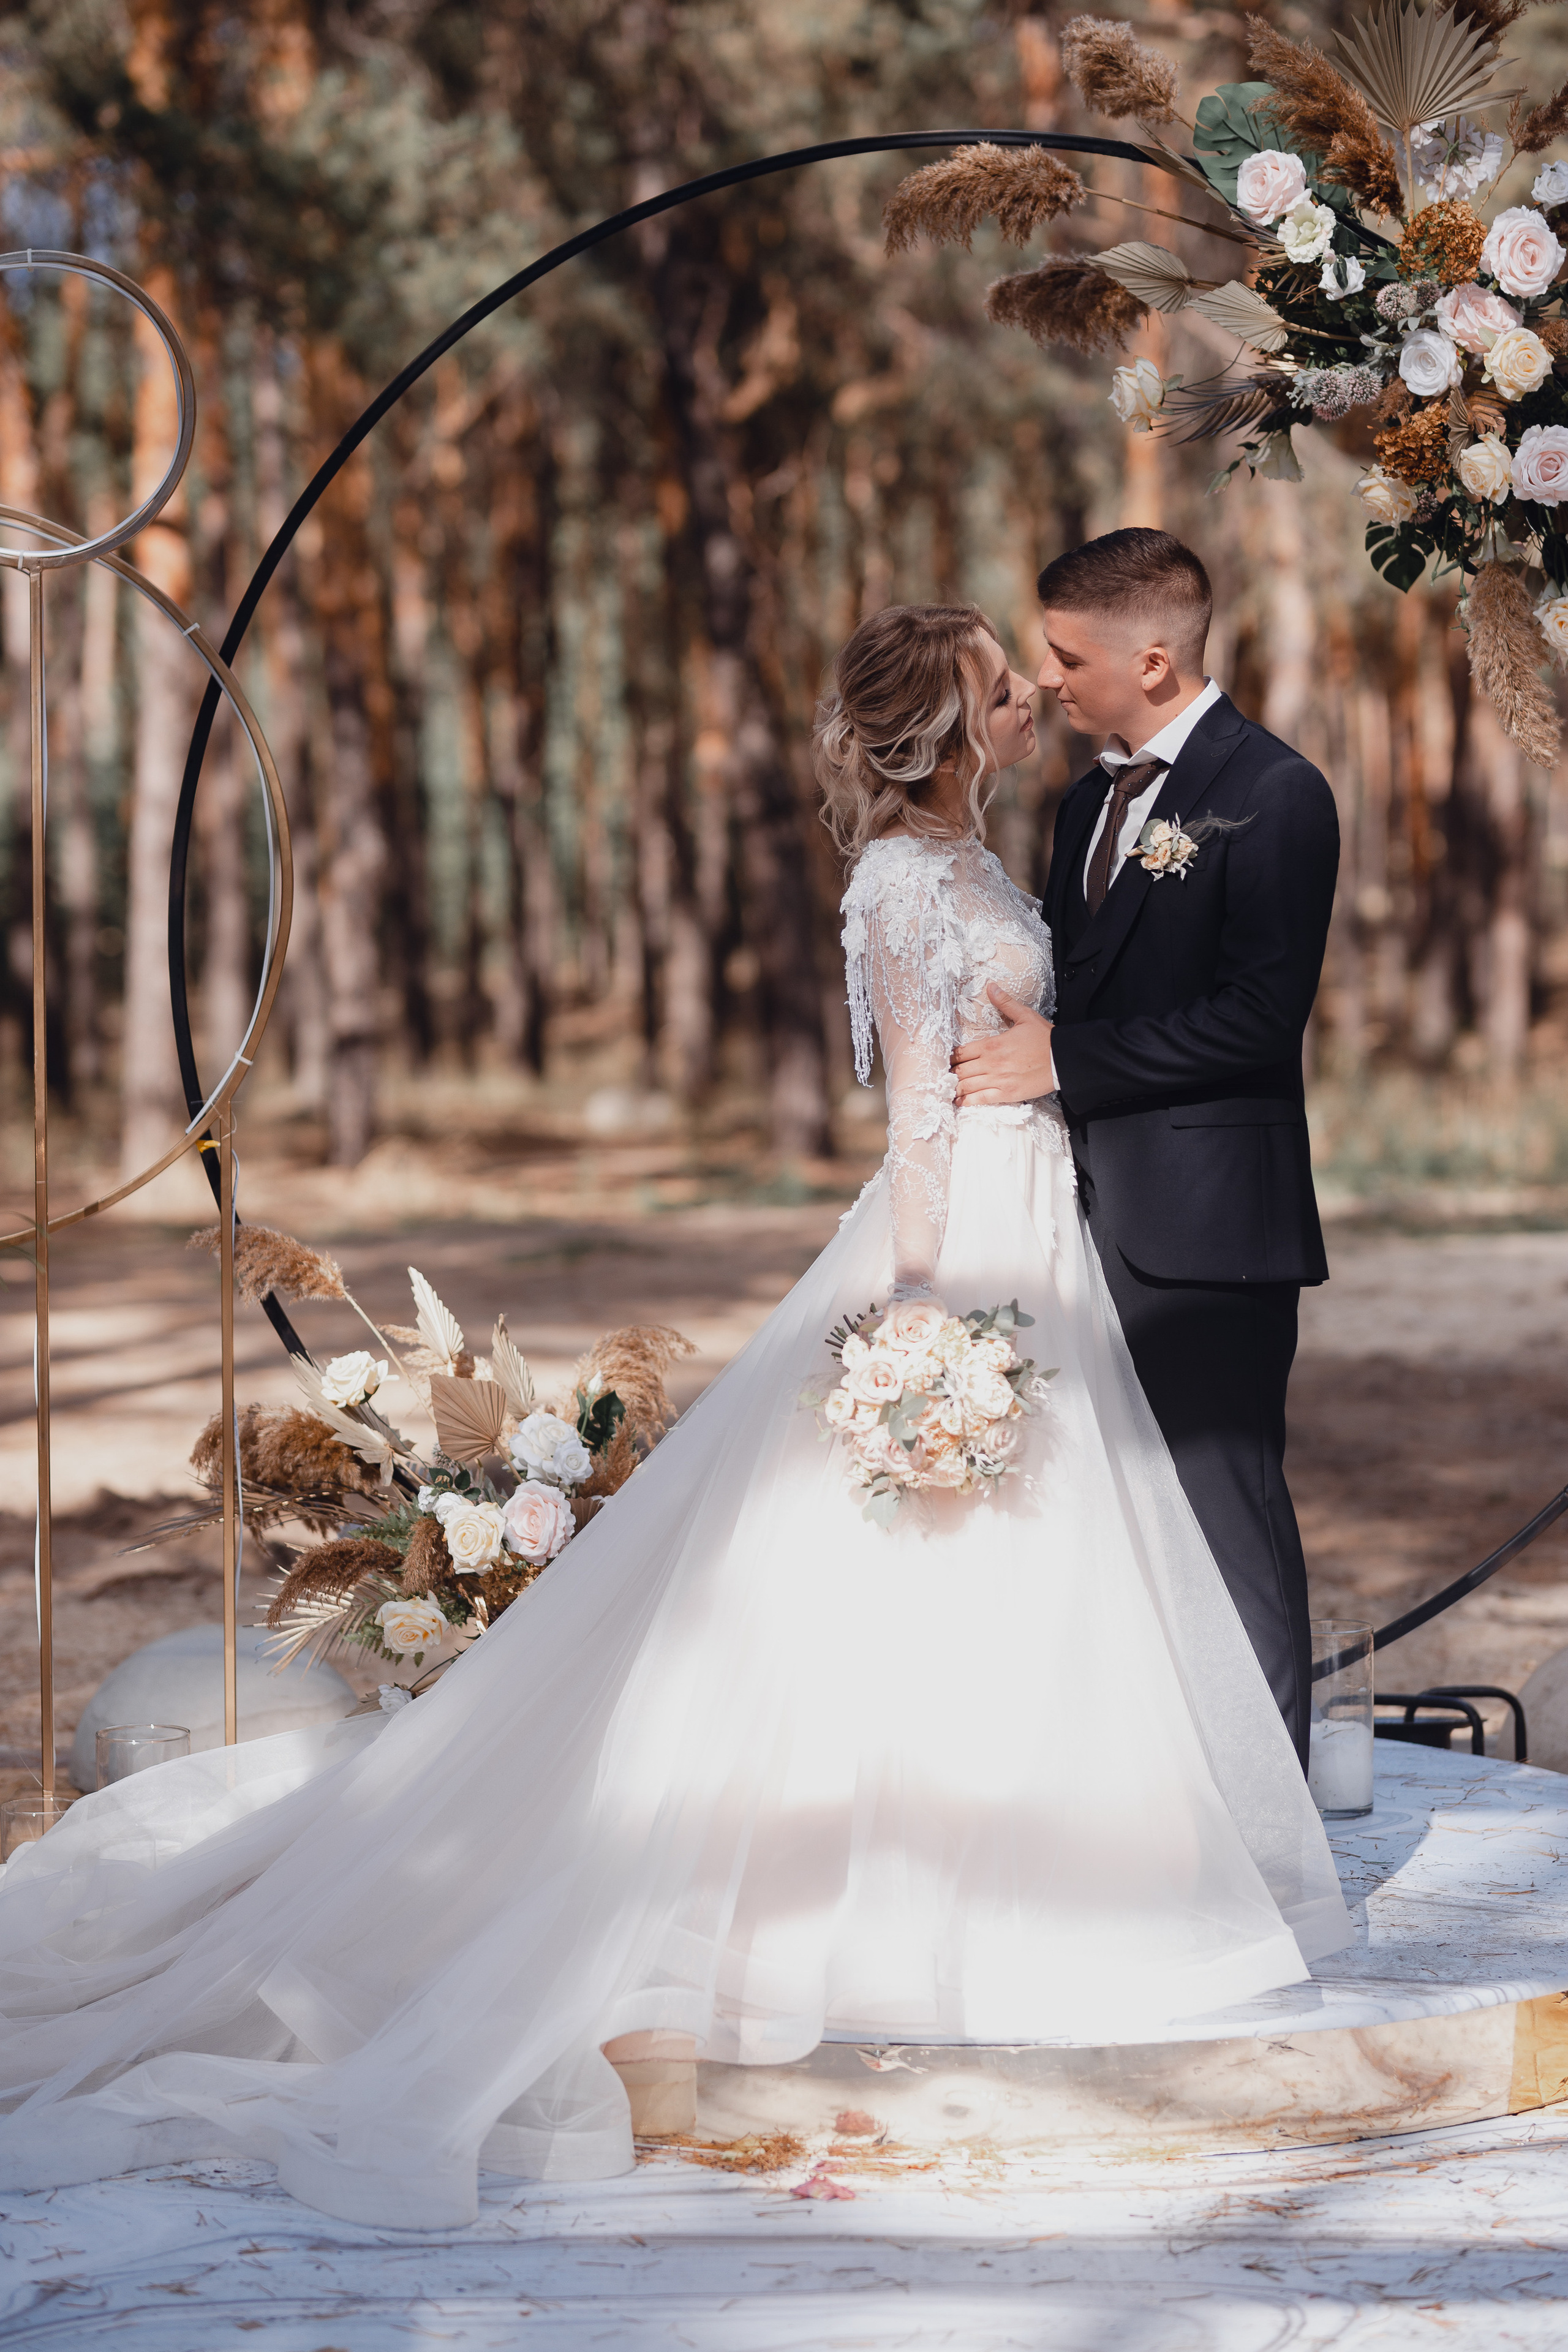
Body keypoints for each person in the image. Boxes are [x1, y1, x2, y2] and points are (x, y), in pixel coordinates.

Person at [0, 601, 1349, 2231]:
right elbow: (917, 1116)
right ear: (941, 728)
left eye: (1027, 680)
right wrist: (924, 1319)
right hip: (959, 1247)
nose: (1026, 704)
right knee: (900, 1569)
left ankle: (1023, 1896)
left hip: (1043, 1225)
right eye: (1002, 687)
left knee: (1034, 1568)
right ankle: (834, 1921)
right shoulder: (903, 882)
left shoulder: (998, 856)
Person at [953, 530, 1340, 1770]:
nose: (1047, 679)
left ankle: (1268, 1821)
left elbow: (1258, 1016)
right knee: (1106, 1521)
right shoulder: (1084, 804)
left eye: (1067, 659)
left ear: (1154, 661)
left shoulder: (1276, 793)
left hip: (1209, 1233)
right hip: (1076, 1220)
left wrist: (1064, 1062)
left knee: (1225, 1523)